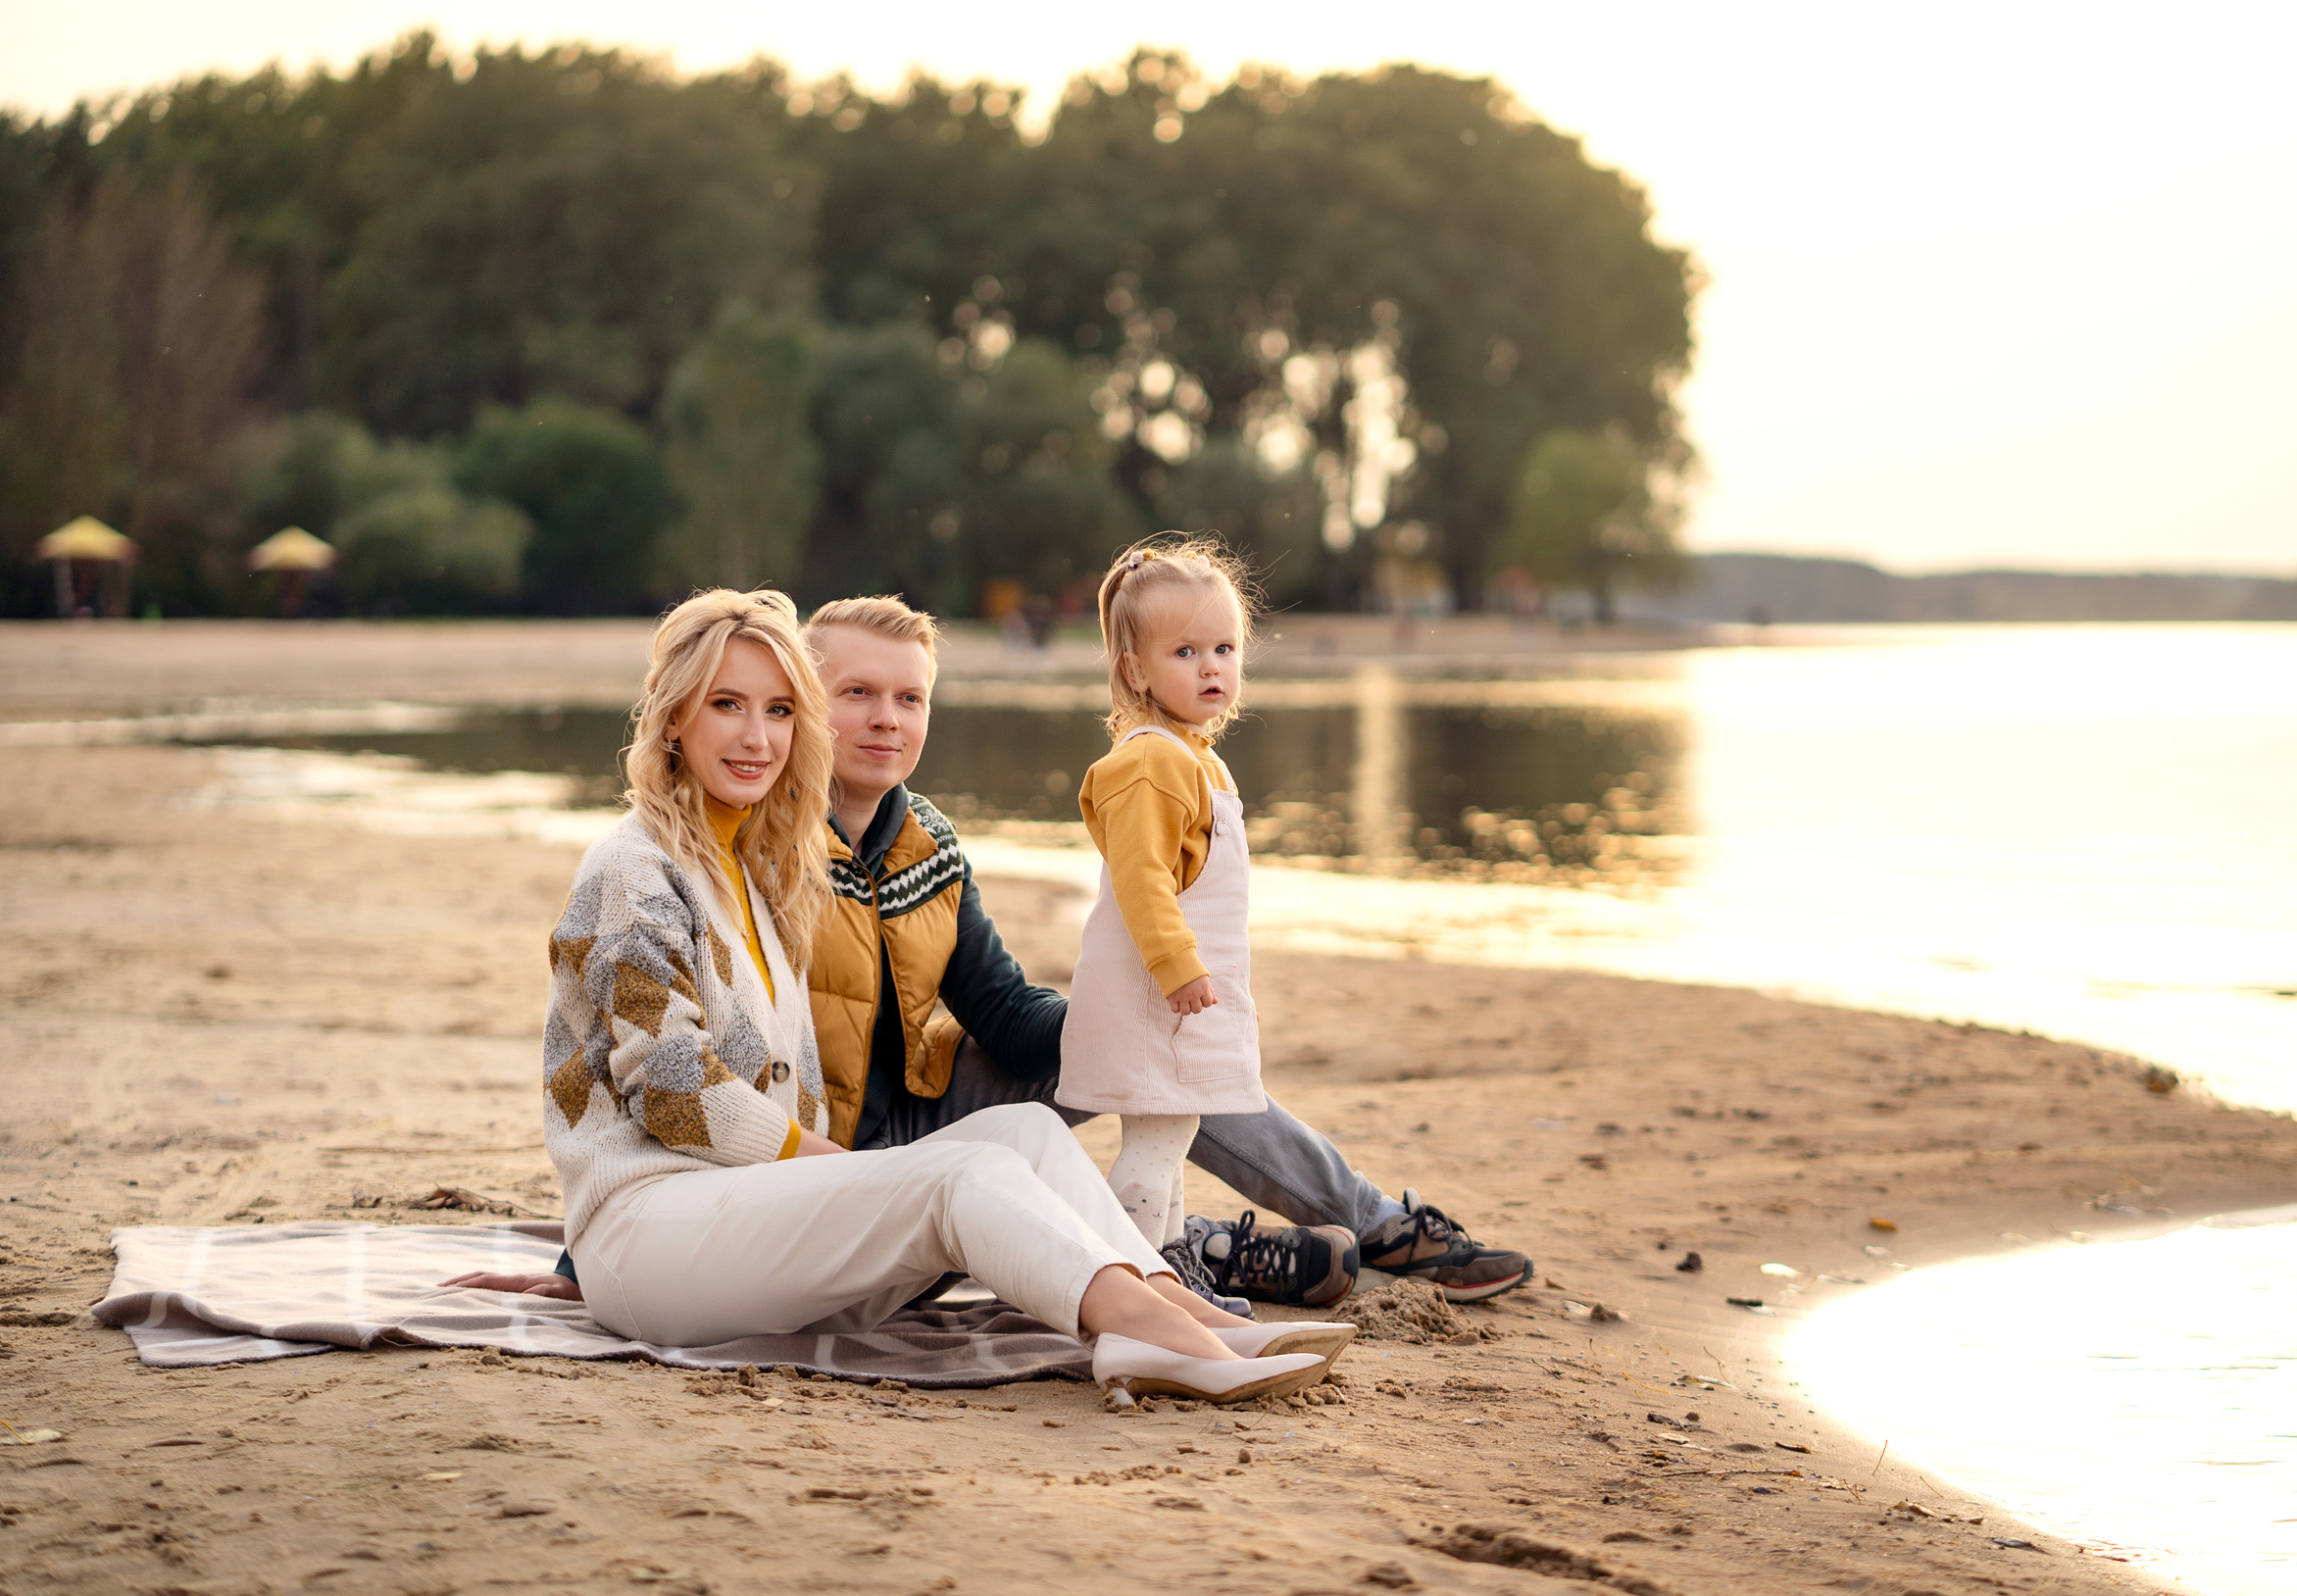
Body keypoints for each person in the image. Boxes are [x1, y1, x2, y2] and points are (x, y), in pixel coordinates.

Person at [474, 590, 1535, 1310]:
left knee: (1150, 1043)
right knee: (1116, 1076)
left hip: (929, 1110)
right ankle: (1196, 1248)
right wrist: (589, 1256)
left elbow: (999, 1006)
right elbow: (657, 1043)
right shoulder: (747, 846)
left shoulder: (928, 838)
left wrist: (1127, 1027)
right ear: (806, 704)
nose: (885, 720)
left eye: (910, 698)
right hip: (811, 1159)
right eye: (854, 695)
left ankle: (1370, 1224)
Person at [1061, 541, 1266, 1266]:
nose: (1212, 666)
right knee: (1156, 1144)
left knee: (1169, 1137)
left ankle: (1172, 1272)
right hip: (1158, 996)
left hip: (1172, 995)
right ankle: (1137, 1277)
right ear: (1134, 671)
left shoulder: (1196, 758)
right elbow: (1139, 877)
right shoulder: (1152, 760)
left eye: (1224, 647)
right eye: (1185, 651)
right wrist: (1178, 966)